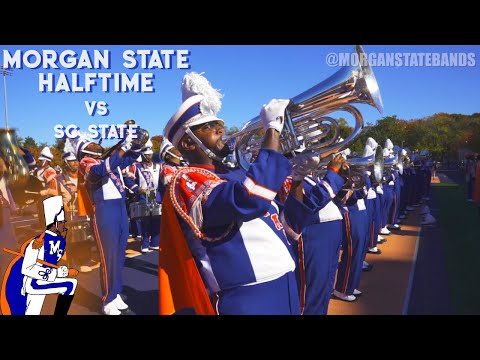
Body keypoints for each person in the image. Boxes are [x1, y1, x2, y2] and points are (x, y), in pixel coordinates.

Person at [159, 72, 319, 315]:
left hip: (285, 282)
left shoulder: (238, 173)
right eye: (208, 127)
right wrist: (272, 130)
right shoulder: (186, 179)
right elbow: (249, 199)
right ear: (189, 144)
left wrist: (297, 179)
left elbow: (292, 228)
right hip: (246, 296)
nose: (220, 130)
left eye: (219, 124)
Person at [66, 130, 142, 315]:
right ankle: (107, 299)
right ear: (83, 149)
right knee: (108, 257)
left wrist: (136, 144)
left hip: (120, 208)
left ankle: (115, 293)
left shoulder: (106, 160)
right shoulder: (86, 162)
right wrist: (122, 148)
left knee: (118, 255)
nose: (95, 144)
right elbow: (99, 172)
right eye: (89, 143)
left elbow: (129, 159)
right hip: (104, 210)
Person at [1, 195, 79, 315]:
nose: (64, 223)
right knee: (69, 285)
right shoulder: (38, 242)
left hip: (42, 279)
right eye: (61, 221)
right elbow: (28, 269)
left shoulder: (59, 240)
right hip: (30, 283)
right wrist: (61, 272)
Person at [124, 140, 162, 253]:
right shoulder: (136, 167)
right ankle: (145, 243)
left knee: (156, 219)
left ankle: (155, 242)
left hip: (156, 194)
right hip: (143, 195)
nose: (149, 156)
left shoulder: (158, 166)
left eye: (150, 154)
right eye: (147, 155)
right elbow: (128, 180)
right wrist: (137, 189)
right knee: (146, 220)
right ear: (143, 155)